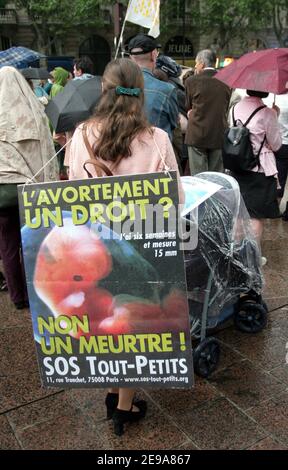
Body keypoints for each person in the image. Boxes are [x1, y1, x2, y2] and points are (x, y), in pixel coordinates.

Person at [69, 58, 182, 436]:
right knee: (132, 322)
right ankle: (124, 407)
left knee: (103, 321)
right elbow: (174, 197)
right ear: (141, 91)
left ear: (103, 89)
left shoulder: (81, 135)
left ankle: (114, 390)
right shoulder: (157, 139)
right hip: (143, 249)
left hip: (93, 250)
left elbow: (70, 197)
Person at [0, 66, 58, 309]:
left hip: (2, 192)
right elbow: (47, 152)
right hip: (31, 189)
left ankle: (18, 297)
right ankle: (38, 294)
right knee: (35, 242)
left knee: (8, 246)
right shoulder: (34, 112)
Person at [230, 89, 282, 263]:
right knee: (255, 215)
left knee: (239, 213)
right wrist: (275, 115)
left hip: (236, 166)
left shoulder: (234, 108)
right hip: (258, 169)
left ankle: (236, 253)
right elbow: (276, 144)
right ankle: (252, 257)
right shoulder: (267, 113)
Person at [185, 49, 231, 175]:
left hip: (196, 134)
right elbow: (225, 106)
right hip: (218, 133)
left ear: (202, 63)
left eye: (196, 63)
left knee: (198, 177)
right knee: (216, 177)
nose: (195, 66)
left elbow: (187, 106)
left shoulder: (191, 81)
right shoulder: (226, 81)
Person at [128, 33, 179, 141]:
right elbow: (175, 124)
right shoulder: (167, 90)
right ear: (153, 55)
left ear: (131, 58)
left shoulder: (116, 88)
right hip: (157, 154)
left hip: (125, 154)